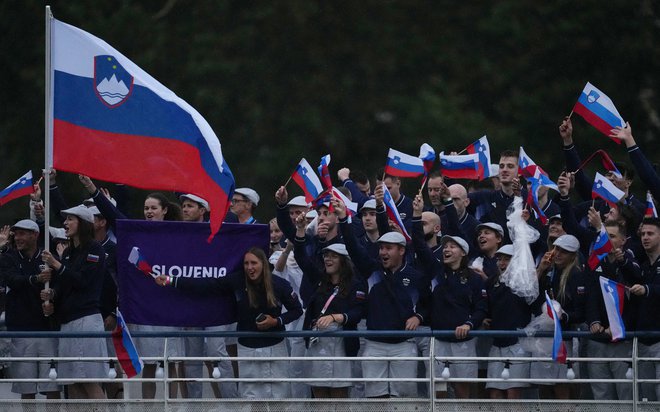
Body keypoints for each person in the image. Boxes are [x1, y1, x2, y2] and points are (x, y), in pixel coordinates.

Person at [80, 177, 184, 399]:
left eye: (153, 208)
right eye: (146, 208)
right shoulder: (138, 231)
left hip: (172, 307)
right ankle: (147, 407)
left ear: (165, 210)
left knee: (171, 364)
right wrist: (93, 190)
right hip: (146, 308)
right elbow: (115, 217)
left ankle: (173, 407)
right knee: (148, 366)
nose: (148, 212)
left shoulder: (179, 232)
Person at [156, 248, 303, 398]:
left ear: (263, 264)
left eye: (254, 263)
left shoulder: (279, 284)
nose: (250, 267)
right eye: (246, 263)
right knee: (250, 396)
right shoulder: (238, 280)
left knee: (278, 395)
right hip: (247, 347)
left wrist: (276, 321)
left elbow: (297, 310)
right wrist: (171, 280)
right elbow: (207, 285)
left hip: (274, 346)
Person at [338, 199, 429, 398]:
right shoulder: (372, 270)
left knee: (404, 400)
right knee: (375, 399)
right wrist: (343, 220)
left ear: (401, 250)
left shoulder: (415, 277)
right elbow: (353, 247)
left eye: (388, 248)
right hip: (374, 345)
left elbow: (428, 305)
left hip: (404, 346)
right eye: (381, 248)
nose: (383, 253)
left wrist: (419, 317)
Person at [293, 219, 366, 398]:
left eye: (333, 256)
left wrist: (336, 317)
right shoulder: (319, 279)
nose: (328, 259)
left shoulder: (356, 284)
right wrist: (301, 230)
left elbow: (358, 311)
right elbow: (301, 257)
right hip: (318, 343)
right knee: (319, 395)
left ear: (343, 261)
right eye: (326, 255)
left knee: (339, 396)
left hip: (342, 342)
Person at [41, 206, 108, 399]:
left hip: (85, 320)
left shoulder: (95, 249)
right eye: (66, 219)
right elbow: (66, 284)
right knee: (73, 384)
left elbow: (83, 281)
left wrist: (56, 264)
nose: (65, 223)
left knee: (88, 381)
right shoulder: (70, 252)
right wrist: (52, 294)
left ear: (83, 223)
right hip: (67, 321)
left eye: (71, 219)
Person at [0, 219, 60, 399]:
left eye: (22, 234)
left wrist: (52, 295)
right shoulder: (8, 258)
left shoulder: (48, 258)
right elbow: (12, 280)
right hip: (20, 329)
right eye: (16, 234)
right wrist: (36, 279)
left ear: (35, 235)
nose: (17, 238)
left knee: (52, 387)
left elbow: (62, 286)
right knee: (26, 389)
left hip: (47, 329)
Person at [585, 220, 641, 400]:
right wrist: (593, 321)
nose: (607, 240)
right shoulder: (594, 263)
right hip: (598, 337)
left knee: (625, 394)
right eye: (604, 236)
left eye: (612, 236)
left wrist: (615, 326)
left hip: (621, 340)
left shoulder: (630, 262)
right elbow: (590, 296)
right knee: (601, 394)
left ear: (623, 240)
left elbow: (637, 281)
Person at [535, 234, 586, 399]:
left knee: (562, 384)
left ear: (573, 255)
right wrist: (541, 269)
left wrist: (562, 316)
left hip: (566, 337)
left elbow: (581, 312)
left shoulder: (576, 274)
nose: (557, 254)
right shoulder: (550, 271)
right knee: (544, 384)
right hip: (545, 336)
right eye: (556, 248)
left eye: (564, 251)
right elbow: (530, 295)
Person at [628, 217, 660, 401]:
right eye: (643, 234)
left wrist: (647, 289)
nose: (645, 237)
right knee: (646, 397)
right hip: (642, 340)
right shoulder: (644, 265)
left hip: (658, 340)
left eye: (650, 233)